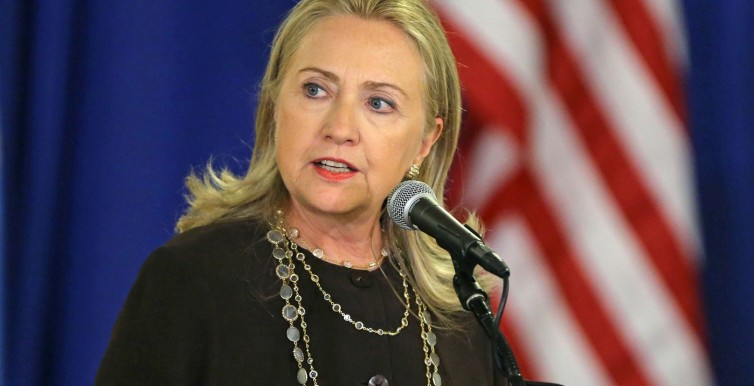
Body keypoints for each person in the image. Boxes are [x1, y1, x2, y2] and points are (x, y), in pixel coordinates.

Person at [96, 0, 506, 384]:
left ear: (425, 141)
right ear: (275, 103)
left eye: (379, 103)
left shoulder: (460, 310)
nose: (340, 128)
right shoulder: (190, 279)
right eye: (315, 90)